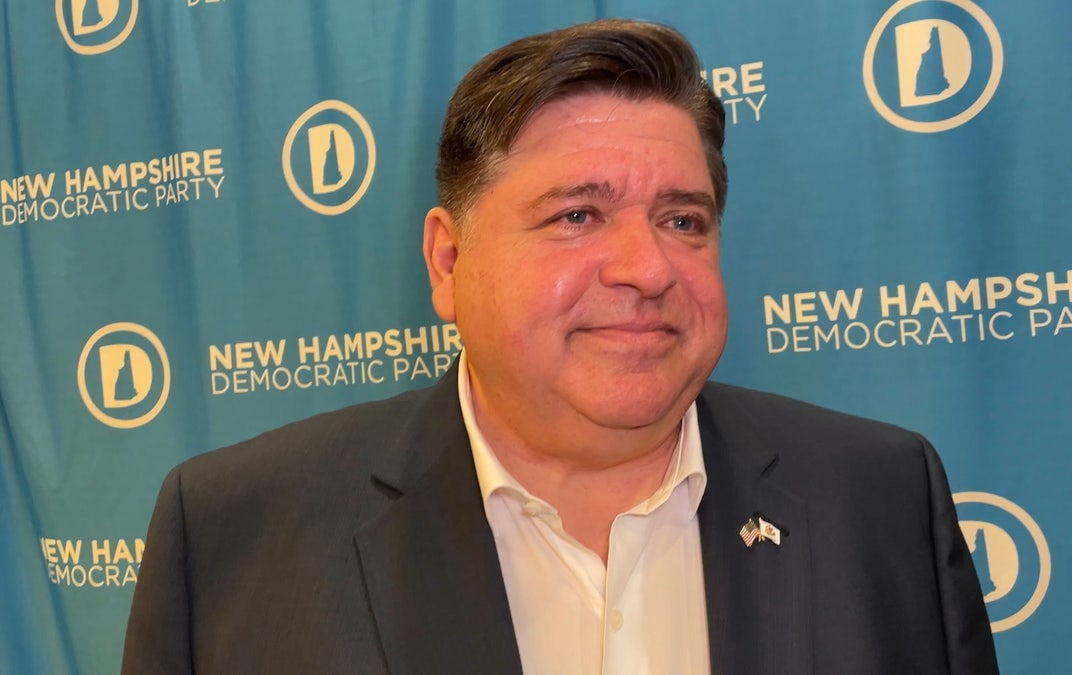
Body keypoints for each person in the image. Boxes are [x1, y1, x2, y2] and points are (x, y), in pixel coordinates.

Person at [122, 18, 999, 675]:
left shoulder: (881, 499)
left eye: (683, 219)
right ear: (448, 260)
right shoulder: (237, 536)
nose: (647, 267)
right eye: (577, 215)